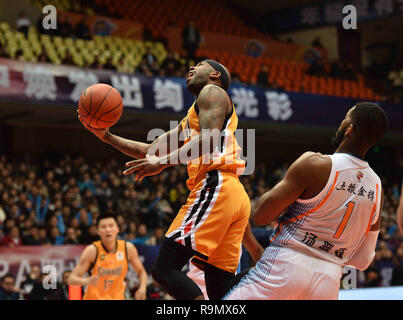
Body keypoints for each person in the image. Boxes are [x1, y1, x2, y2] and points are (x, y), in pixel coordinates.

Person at [78, 59, 249, 300]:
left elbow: (209, 140)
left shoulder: (213, 92)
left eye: (199, 65)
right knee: (221, 286)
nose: (191, 68)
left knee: (164, 269)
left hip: (216, 186)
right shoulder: (192, 118)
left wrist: (163, 162)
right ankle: (278, 276)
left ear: (214, 75)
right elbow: (149, 151)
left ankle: (280, 269)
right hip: (232, 193)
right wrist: (106, 137)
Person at [225, 102, 388, 300]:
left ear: (349, 129)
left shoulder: (315, 164)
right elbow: (363, 260)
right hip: (329, 281)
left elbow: (260, 215)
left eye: (345, 118)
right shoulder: (377, 187)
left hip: (285, 266)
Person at [68, 213, 148, 300]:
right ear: (98, 231)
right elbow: (71, 279)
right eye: (103, 227)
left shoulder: (127, 248)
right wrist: (86, 281)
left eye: (111, 226)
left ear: (117, 229)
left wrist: (142, 289)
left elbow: (141, 272)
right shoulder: (92, 251)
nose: (108, 230)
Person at [187, 222, 263, 299]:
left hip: (221, 287)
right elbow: (256, 251)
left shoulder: (240, 217)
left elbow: (256, 251)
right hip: (205, 287)